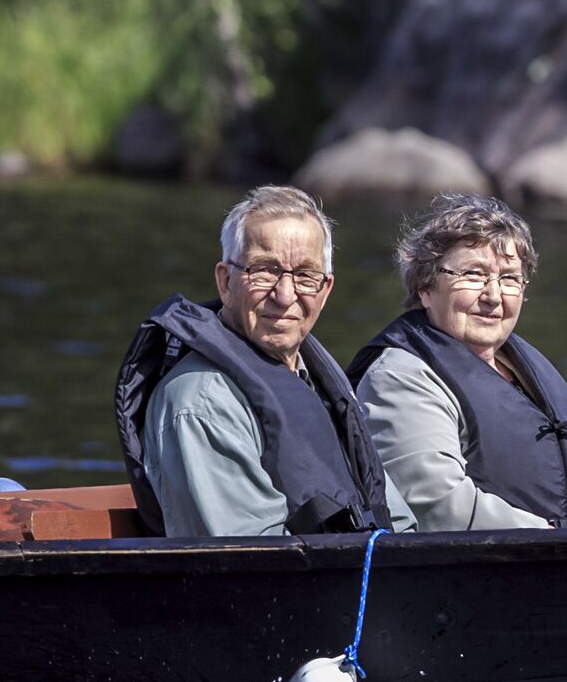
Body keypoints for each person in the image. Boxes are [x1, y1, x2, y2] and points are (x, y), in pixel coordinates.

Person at [351, 193, 567, 530]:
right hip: (493, 568)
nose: (493, 295)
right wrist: (562, 541)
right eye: (473, 275)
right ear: (425, 287)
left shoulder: (534, 374)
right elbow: (437, 505)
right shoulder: (399, 379)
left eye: (509, 279)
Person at [113, 185, 409, 538]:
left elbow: (400, 521)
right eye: (264, 271)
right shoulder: (201, 402)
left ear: (325, 289)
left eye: (304, 275)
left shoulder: (322, 386)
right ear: (225, 281)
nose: (285, 296)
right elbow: (252, 561)